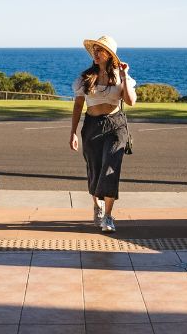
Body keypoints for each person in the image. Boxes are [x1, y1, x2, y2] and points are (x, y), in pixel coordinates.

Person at [69, 35, 136, 233]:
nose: (96, 54)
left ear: (110, 55)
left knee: (110, 168)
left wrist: (123, 77)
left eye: (100, 50)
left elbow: (131, 101)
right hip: (92, 126)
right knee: (95, 169)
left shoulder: (120, 75)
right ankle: (97, 207)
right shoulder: (85, 77)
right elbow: (78, 106)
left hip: (116, 126)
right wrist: (72, 132)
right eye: (95, 50)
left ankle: (108, 216)